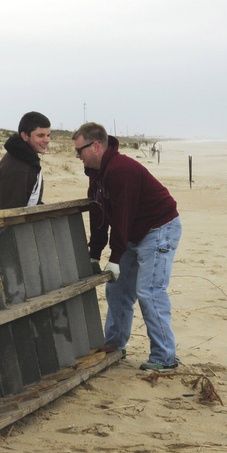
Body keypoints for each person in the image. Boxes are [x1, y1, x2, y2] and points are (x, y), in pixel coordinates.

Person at [74, 122, 182, 371]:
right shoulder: (97, 178)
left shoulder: (121, 170)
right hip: (133, 233)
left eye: (80, 150)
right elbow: (100, 219)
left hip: (159, 229)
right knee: (117, 290)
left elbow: (123, 216)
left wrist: (115, 257)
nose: (77, 155)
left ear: (96, 145)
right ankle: (114, 345)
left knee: (150, 291)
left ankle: (165, 357)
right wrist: (94, 255)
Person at [0, 111, 50, 211]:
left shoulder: (27, 160)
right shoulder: (17, 167)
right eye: (40, 136)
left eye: (48, 135)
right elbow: (11, 214)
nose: (46, 140)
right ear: (24, 136)